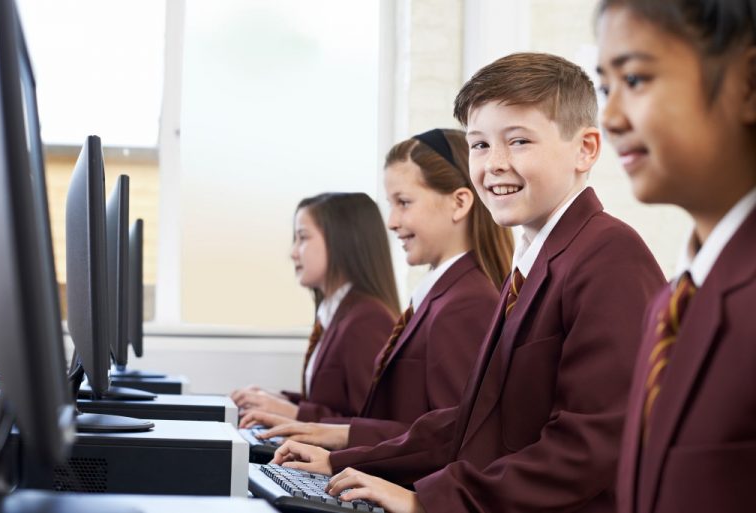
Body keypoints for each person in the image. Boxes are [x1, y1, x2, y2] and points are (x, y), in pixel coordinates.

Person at [271, 52, 666, 513]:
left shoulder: (609, 254)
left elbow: (591, 444)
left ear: (586, 149)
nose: (494, 163)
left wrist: (429, 503)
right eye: (479, 145)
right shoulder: (533, 263)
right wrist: (343, 460)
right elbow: (474, 424)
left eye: (518, 141)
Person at [241, 128, 513, 450]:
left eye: (404, 202)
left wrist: (331, 444)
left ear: (459, 202)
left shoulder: (466, 303)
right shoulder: (442, 296)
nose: (391, 221)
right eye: (391, 204)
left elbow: (452, 439)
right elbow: (406, 421)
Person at [596, 2, 756, 512]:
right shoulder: (671, 302)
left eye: (636, 78)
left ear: (748, 85)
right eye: (605, 87)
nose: (611, 117)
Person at [231, 192, 399, 422]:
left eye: (303, 237)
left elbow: (371, 426)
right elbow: (331, 403)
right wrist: (280, 400)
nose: (293, 252)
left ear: (342, 240)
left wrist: (294, 413)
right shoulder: (335, 312)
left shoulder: (368, 319)